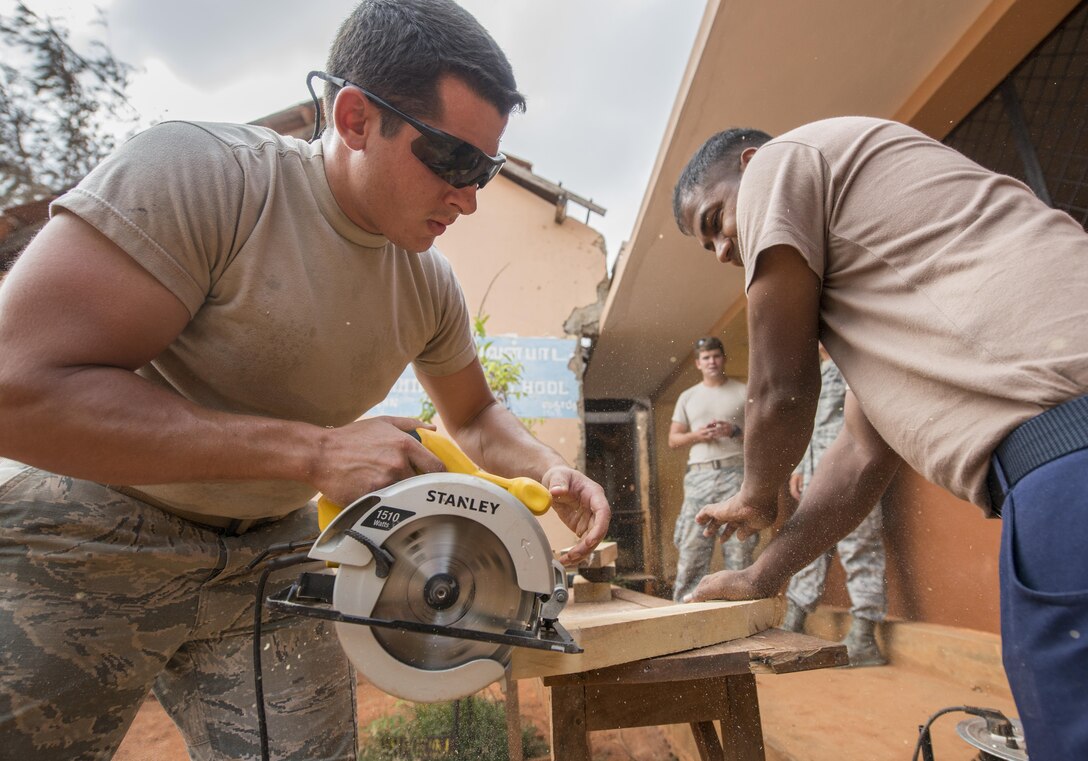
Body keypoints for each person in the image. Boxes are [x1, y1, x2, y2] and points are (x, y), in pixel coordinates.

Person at [0, 2, 610, 759]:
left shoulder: (428, 283)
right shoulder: (207, 179)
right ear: (356, 118)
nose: (470, 196)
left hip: (271, 554)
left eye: (483, 169)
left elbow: (477, 414)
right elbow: (17, 390)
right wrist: (315, 452)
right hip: (92, 528)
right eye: (453, 161)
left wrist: (546, 467)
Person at [671, 116, 1087, 760]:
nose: (723, 252)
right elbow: (860, 460)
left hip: (1069, 464)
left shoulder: (782, 164)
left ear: (749, 166)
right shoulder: (894, 287)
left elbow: (782, 386)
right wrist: (762, 575)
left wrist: (756, 496)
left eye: (713, 222)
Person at [783, 346, 887, 667]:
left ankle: (865, 639)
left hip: (853, 470)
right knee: (808, 545)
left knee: (860, 547)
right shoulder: (819, 372)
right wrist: (801, 468)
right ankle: (793, 624)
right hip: (818, 475)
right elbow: (812, 428)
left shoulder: (856, 364)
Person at [667, 336, 753, 601]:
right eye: (706, 358)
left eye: (716, 356)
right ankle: (683, 610)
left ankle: (740, 612)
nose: (712, 362)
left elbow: (762, 433)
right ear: (698, 363)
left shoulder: (743, 390)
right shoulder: (688, 396)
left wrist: (734, 430)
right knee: (693, 547)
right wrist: (698, 435)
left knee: (739, 548)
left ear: (724, 358)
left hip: (736, 473)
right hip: (700, 475)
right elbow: (673, 439)